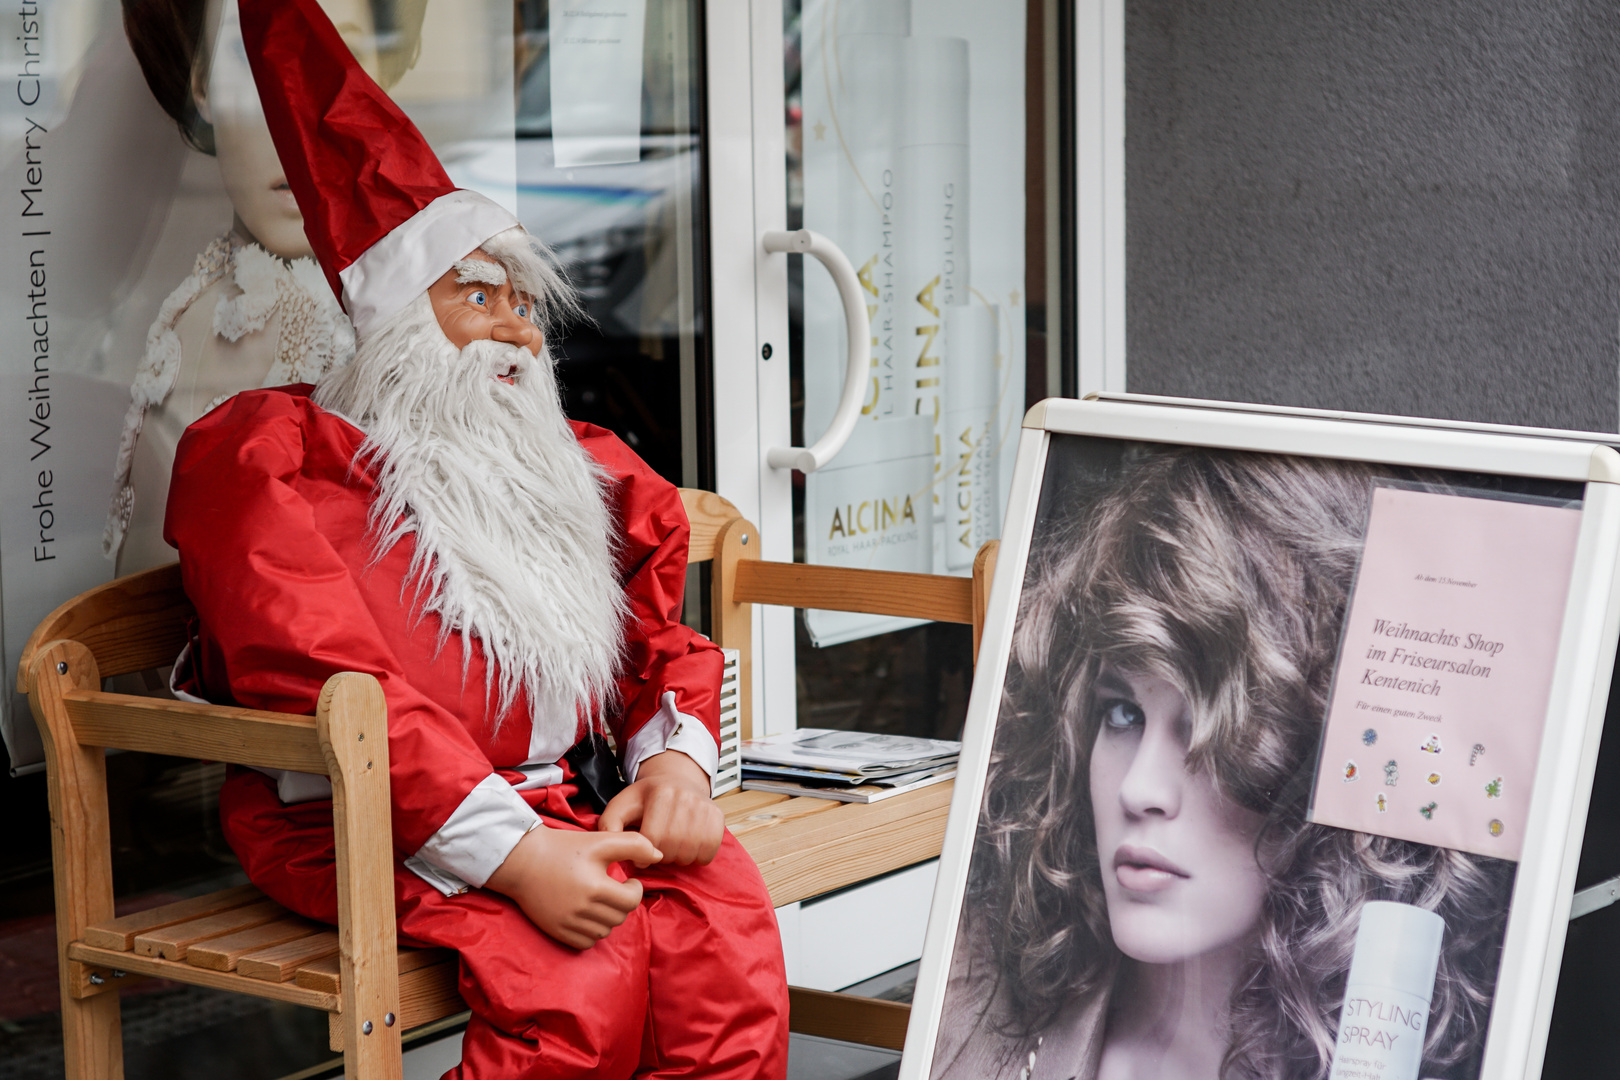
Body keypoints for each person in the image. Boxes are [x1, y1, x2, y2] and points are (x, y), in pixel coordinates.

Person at [161, 1, 789, 1076]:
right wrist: (514, 856)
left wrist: (677, 764)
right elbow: (324, 671)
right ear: (403, 322)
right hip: (366, 819)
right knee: (579, 987)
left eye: (526, 305)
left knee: (720, 940)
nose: (516, 330)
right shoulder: (279, 465)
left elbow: (655, 635)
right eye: (480, 297)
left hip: (570, 791)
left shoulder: (573, 467)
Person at [930, 448, 1515, 1080]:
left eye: (1219, 729)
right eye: (1122, 714)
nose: (1140, 789)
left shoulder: (1418, 1050)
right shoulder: (972, 1015)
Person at [106, 0, 428, 574]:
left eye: (338, 57)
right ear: (202, 84)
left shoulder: (420, 314)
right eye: (250, 55)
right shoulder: (204, 323)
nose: (295, 111)